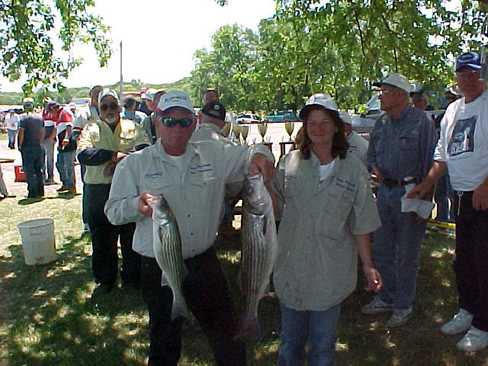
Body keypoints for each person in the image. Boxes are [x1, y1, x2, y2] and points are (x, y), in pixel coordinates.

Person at [104, 90, 274, 366]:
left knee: (228, 336)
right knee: (164, 340)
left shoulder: (214, 153)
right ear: (156, 121)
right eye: (169, 120)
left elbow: (253, 152)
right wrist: (137, 205)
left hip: (204, 261)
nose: (176, 128)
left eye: (184, 122)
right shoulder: (135, 165)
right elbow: (112, 212)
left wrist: (261, 157)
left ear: (194, 123)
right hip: (158, 264)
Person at [271, 93, 382, 366]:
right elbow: (272, 208)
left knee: (322, 347)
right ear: (305, 128)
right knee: (290, 345)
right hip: (291, 266)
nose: (318, 129)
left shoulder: (354, 169)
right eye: (312, 123)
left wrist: (368, 265)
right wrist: (259, 175)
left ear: (336, 125)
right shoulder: (289, 163)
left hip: (330, 272)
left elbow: (362, 222)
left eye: (324, 122)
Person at [407, 51, 488, 352]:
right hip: (462, 196)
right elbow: (443, 154)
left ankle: (483, 324)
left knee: (484, 261)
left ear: (481, 74)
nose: (468, 78)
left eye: (473, 73)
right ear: (455, 76)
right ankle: (467, 309)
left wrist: (485, 185)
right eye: (462, 73)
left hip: (484, 195)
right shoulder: (452, 110)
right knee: (463, 260)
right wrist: (427, 183)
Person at [362, 73, 435, 327]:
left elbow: (430, 163)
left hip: (410, 192)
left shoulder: (421, 122)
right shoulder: (381, 123)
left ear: (401, 94)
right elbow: (371, 156)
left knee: (407, 252)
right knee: (381, 247)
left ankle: (403, 304)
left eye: (384, 91)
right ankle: (386, 296)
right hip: (384, 193)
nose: (380, 96)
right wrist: (375, 169)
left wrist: (424, 201)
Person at [78, 89, 148, 294]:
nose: (109, 109)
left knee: (130, 237)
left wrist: (119, 161)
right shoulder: (91, 128)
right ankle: (105, 280)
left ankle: (132, 278)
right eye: (104, 106)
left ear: (120, 107)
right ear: (99, 110)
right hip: (98, 191)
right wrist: (114, 154)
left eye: (113, 105)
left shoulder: (133, 127)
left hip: (128, 190)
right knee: (102, 239)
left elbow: (144, 150)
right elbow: (84, 155)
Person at [73, 85, 103, 232]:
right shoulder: (83, 113)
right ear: (90, 95)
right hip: (90, 156)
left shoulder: (107, 110)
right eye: (95, 94)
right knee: (89, 188)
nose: (98, 96)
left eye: (100, 94)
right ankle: (87, 221)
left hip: (106, 156)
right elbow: (75, 133)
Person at [432, 87, 462, 222]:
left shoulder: (463, 115)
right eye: (448, 98)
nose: (449, 101)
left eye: (452, 98)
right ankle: (441, 218)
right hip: (442, 161)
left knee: (453, 193)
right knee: (440, 192)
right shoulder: (441, 117)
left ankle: (455, 218)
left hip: (456, 162)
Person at [17, 100, 45, 199]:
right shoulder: (39, 117)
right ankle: (41, 191)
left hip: (28, 147)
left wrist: (20, 145)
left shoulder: (24, 118)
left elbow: (21, 132)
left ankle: (32, 192)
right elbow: (42, 131)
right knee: (39, 169)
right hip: (38, 146)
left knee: (29, 170)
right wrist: (40, 143)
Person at [53, 103, 76, 193]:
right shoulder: (59, 114)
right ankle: (65, 183)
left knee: (68, 166)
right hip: (62, 144)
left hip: (68, 144)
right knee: (59, 164)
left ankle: (72, 186)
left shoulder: (64, 112)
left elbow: (69, 126)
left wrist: (67, 138)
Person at [41, 101, 59, 185]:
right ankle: (46, 177)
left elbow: (55, 127)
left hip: (47, 138)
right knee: (46, 158)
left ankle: (49, 177)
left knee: (48, 158)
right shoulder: (46, 113)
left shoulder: (50, 113)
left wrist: (51, 137)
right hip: (46, 138)